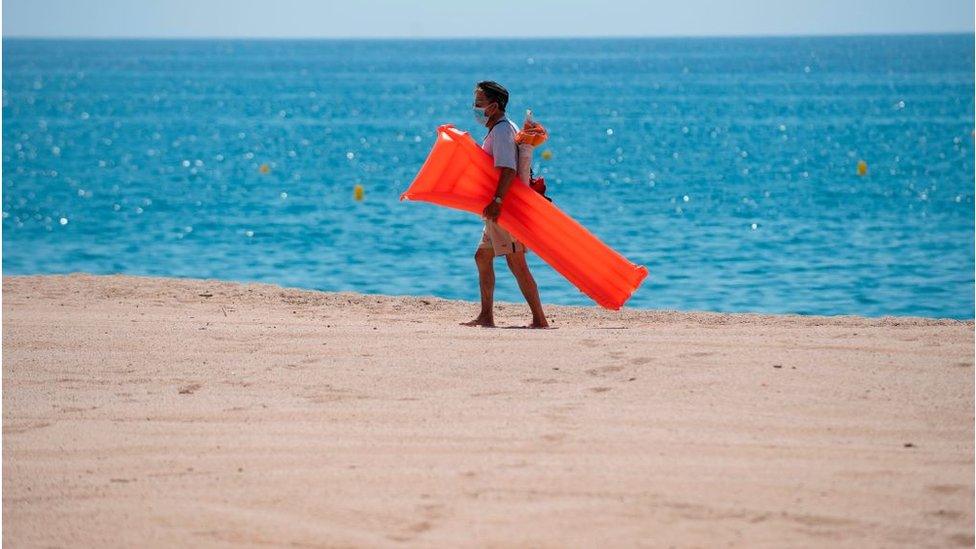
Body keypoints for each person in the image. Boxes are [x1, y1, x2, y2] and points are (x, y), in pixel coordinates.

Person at [460, 81, 549, 329]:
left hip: (504, 208)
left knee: (516, 262)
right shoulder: (501, 127)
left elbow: (507, 169)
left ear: (494, 106)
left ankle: (539, 319)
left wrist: (497, 201)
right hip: (498, 208)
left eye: (479, 104)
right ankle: (486, 316)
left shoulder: (500, 131)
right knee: (482, 257)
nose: (475, 108)